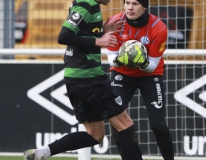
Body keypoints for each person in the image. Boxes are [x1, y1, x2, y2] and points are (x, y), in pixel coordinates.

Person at [23, 0, 143, 160]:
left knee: (95, 135)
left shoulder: (81, 3)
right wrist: (97, 40)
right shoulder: (87, 5)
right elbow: (64, 35)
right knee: (125, 125)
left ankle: (42, 153)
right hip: (90, 77)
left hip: (75, 79)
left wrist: (101, 31)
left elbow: (79, 34)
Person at [106, 0, 174, 160]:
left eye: (135, 3)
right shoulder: (114, 22)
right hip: (121, 73)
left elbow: (152, 65)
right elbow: (111, 58)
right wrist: (123, 59)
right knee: (116, 120)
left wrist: (140, 60)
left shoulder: (159, 28)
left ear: (145, 6)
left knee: (158, 125)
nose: (130, 7)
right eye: (127, 2)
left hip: (149, 75)